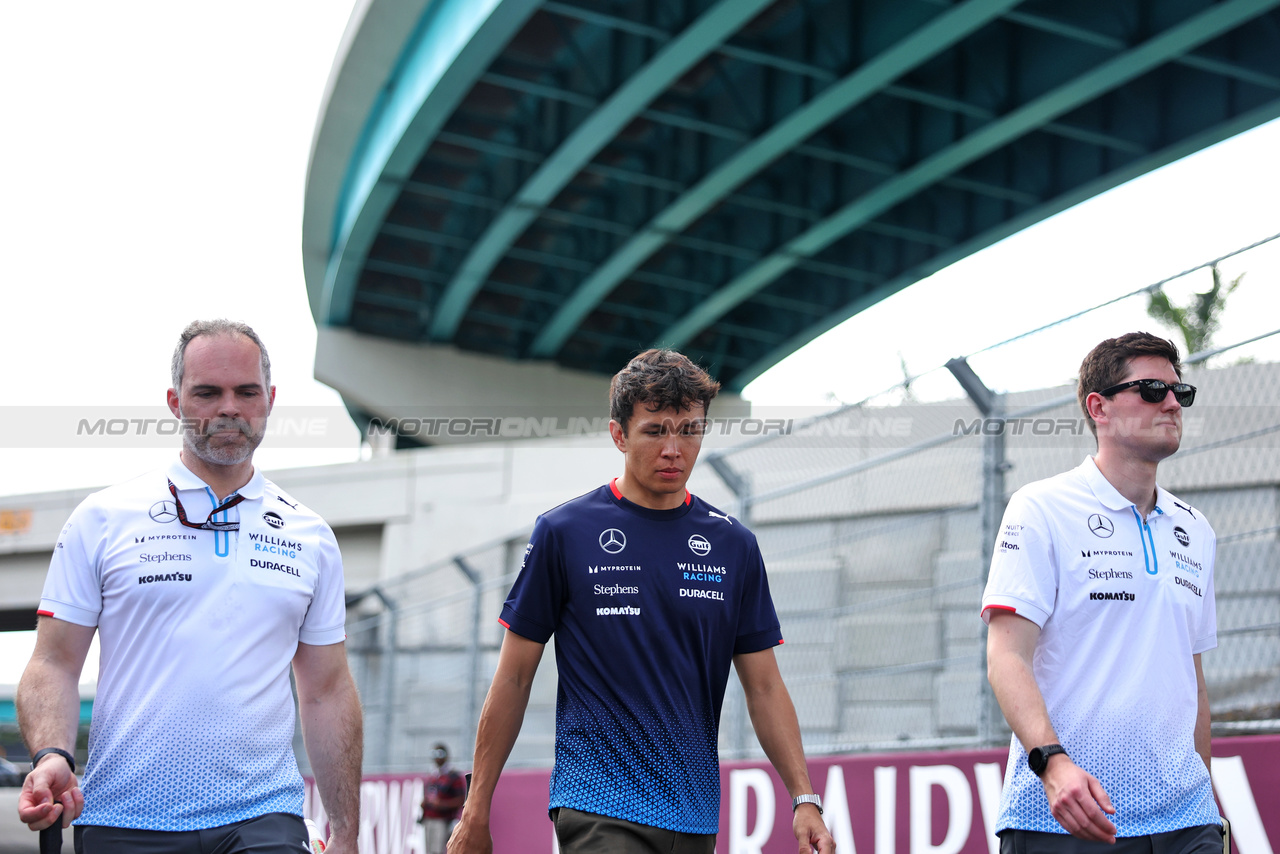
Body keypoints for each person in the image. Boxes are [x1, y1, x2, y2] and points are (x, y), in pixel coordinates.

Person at [449, 349, 834, 854]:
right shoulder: (563, 532)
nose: (674, 448)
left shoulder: (734, 545)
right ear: (618, 435)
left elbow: (763, 685)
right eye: (655, 431)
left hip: (696, 819)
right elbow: (515, 676)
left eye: (689, 430)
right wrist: (476, 809)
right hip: (597, 806)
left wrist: (804, 797)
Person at [17, 319, 363, 853]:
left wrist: (345, 827)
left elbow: (327, 689)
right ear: (176, 401)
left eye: (245, 392)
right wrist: (52, 755)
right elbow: (54, 663)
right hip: (124, 818)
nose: (229, 407)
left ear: (269, 400)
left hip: (263, 817)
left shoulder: (310, 535)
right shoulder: (102, 518)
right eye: (208, 392)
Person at [982, 332, 1221, 854]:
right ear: (1099, 407)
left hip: (1188, 824)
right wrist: (1052, 762)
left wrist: (1210, 806)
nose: (1171, 403)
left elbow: (1193, 684)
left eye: (1180, 393)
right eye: (1152, 388)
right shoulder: (1040, 507)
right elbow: (1005, 656)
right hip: (1068, 818)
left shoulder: (1196, 529)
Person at [420, 743, 466, 854]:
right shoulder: (433, 775)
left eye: (440, 754)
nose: (437, 758)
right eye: (434, 754)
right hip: (429, 819)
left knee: (437, 850)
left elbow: (461, 800)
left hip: (442, 820)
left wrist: (442, 804)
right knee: (429, 850)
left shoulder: (453, 776)